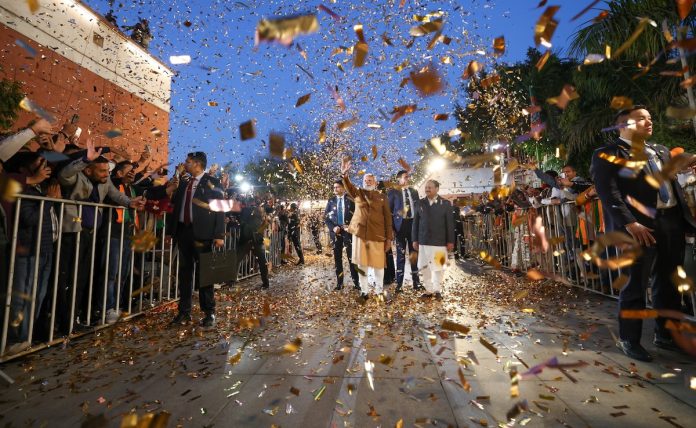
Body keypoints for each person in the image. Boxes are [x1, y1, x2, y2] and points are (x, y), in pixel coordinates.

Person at [591, 105, 696, 361]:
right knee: (635, 283)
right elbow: (608, 192)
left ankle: (665, 335)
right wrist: (630, 223)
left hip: (670, 221)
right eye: (641, 118)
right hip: (636, 228)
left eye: (650, 117)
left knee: (669, 282)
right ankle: (629, 339)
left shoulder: (659, 151)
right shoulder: (608, 153)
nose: (649, 122)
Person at [56, 139, 144, 333]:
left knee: (81, 279)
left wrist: (130, 203)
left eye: (107, 171)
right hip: (73, 233)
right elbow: (64, 174)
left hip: (90, 234)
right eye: (102, 171)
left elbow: (116, 195)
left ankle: (74, 319)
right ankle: (62, 322)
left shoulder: (106, 181)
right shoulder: (77, 177)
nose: (106, 174)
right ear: (88, 171)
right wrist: (85, 159)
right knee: (68, 279)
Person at [165, 152, 224, 328]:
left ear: (197, 164)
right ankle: (184, 312)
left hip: (203, 235)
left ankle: (209, 312)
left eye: (188, 161)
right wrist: (170, 232)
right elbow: (175, 207)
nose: (185, 164)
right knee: (184, 274)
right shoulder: (184, 182)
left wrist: (219, 234)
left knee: (204, 274)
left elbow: (220, 209)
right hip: (183, 232)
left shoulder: (212, 182)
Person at [340, 158, 393, 300]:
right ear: (362, 182)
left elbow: (388, 219)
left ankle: (379, 291)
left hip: (378, 235)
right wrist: (345, 175)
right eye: (365, 180)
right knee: (361, 265)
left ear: (375, 183)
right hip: (360, 234)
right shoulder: (358, 193)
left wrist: (389, 238)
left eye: (370, 180)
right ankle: (364, 292)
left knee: (378, 266)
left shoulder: (382, 197)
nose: (368, 182)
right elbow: (348, 186)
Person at [412, 180, 454, 300]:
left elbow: (450, 224)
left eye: (430, 187)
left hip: (439, 241)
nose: (427, 189)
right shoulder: (419, 203)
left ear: (437, 189)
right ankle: (428, 290)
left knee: (438, 267)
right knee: (424, 266)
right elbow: (415, 223)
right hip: (423, 240)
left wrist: (450, 241)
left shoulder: (445, 203)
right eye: (426, 187)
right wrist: (414, 239)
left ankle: (437, 290)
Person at [388, 170, 423, 292]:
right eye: (405, 177)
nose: (408, 178)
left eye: (408, 177)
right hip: (400, 227)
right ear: (399, 179)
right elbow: (389, 212)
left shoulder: (414, 191)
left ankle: (416, 283)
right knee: (400, 256)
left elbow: (418, 209)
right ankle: (399, 285)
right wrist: (392, 228)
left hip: (413, 225)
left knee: (414, 255)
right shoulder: (393, 192)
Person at [324, 180, 360, 291]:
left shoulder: (350, 199)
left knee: (351, 258)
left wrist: (349, 226)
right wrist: (333, 227)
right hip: (336, 233)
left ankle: (356, 283)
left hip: (348, 232)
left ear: (343, 188)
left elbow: (357, 216)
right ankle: (339, 283)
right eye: (334, 187)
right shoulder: (331, 201)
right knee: (337, 258)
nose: (335, 189)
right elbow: (326, 218)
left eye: (338, 187)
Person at [237, 197, 271, 289]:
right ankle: (265, 282)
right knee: (261, 261)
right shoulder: (255, 213)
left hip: (254, 240)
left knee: (261, 261)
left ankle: (266, 282)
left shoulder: (255, 214)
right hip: (253, 239)